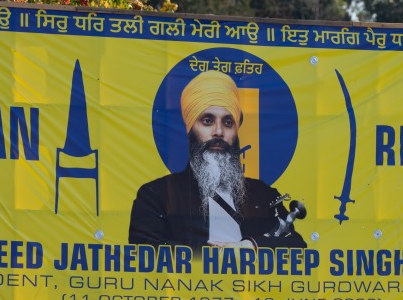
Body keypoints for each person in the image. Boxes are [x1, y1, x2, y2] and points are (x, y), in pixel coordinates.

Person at [129, 70, 306, 252]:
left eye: (228, 123)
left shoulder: (264, 194)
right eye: (207, 121)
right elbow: (144, 249)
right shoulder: (157, 195)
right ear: (190, 129)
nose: (219, 132)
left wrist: (251, 246)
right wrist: (215, 257)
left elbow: (297, 246)